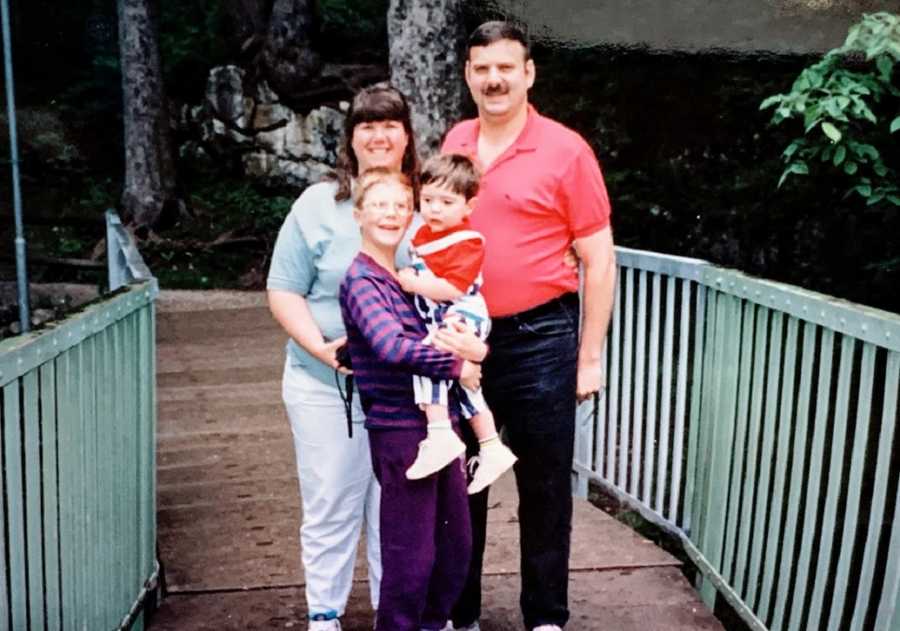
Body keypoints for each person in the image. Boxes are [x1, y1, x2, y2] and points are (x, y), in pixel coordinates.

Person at [438, 21, 617, 631]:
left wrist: (589, 357)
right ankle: (460, 616)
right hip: (465, 342)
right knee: (461, 484)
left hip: (542, 338)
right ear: (468, 75)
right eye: (482, 69)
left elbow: (598, 259)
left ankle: (545, 617)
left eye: (505, 69)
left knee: (543, 486)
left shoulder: (567, 150)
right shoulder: (455, 141)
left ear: (528, 73)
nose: (494, 80)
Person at [266, 84, 420, 631]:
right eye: (367, 126)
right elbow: (283, 287)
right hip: (323, 382)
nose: (379, 136)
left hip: (408, 392)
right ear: (351, 139)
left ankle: (392, 610)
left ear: (407, 136)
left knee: (396, 507)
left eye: (390, 125)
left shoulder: (427, 203)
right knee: (332, 497)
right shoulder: (317, 204)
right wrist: (320, 348)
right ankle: (324, 614)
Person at [339, 168, 485, 631]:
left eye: (401, 206)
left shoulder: (409, 275)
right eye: (379, 205)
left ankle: (432, 622)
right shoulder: (362, 279)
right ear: (359, 214)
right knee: (411, 553)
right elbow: (391, 347)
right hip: (400, 428)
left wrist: (475, 349)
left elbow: (455, 327)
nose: (391, 214)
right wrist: (459, 366)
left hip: (443, 426)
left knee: (456, 546)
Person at [398, 153, 517, 494]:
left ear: (468, 205)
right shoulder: (423, 233)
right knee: (466, 387)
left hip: (463, 313)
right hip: (444, 313)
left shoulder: (466, 241)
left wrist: (412, 282)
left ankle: (439, 434)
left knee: (431, 357)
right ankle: (491, 445)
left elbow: (453, 288)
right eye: (429, 200)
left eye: (446, 202)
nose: (435, 209)